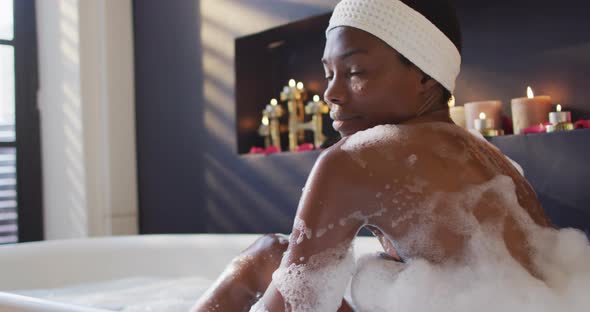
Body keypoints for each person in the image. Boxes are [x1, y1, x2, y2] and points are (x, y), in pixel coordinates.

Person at [191, 0, 551, 311]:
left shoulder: (357, 159)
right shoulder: (493, 159)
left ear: (426, 76)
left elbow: (296, 307)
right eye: (329, 73)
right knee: (275, 256)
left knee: (263, 257)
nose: (331, 93)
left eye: (355, 72)